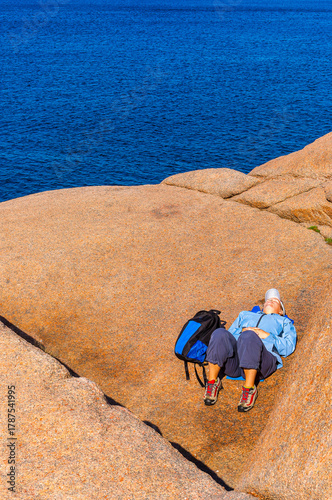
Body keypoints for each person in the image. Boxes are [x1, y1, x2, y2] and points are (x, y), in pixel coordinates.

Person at [204, 289, 296, 412]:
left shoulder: (284, 321)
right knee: (220, 333)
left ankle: (249, 388)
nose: (270, 301)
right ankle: (212, 382)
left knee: (249, 336)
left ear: (281, 311)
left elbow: (288, 346)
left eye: (275, 301)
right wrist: (242, 331)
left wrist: (267, 335)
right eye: (268, 300)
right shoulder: (244, 314)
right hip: (237, 361)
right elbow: (229, 335)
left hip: (261, 363)